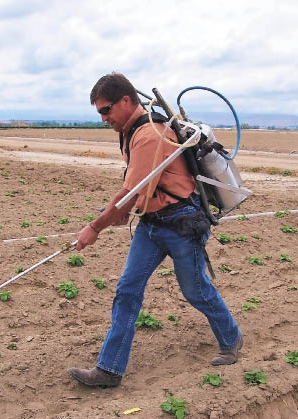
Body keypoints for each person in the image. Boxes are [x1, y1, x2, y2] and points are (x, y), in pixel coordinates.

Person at [68, 72, 242, 388]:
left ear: (125, 101)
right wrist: (129, 209)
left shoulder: (149, 135)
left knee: (195, 291)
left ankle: (231, 339)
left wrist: (95, 227)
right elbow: (140, 187)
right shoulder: (129, 131)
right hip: (152, 224)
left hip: (182, 223)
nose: (104, 118)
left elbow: (129, 191)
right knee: (128, 289)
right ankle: (109, 370)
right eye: (99, 113)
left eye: (106, 110)